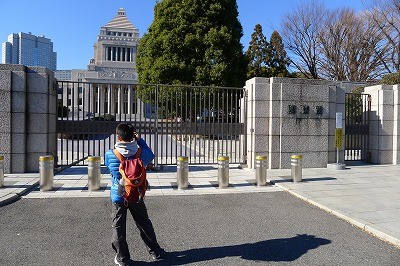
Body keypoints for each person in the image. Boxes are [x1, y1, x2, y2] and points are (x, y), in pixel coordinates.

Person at [105, 123, 166, 266]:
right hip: (136, 194)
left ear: (118, 137)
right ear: (133, 135)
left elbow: (109, 168)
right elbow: (151, 154)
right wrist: (140, 140)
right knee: (144, 223)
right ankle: (155, 252)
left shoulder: (110, 154)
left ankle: (122, 258)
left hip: (119, 195)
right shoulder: (140, 153)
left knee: (119, 228)